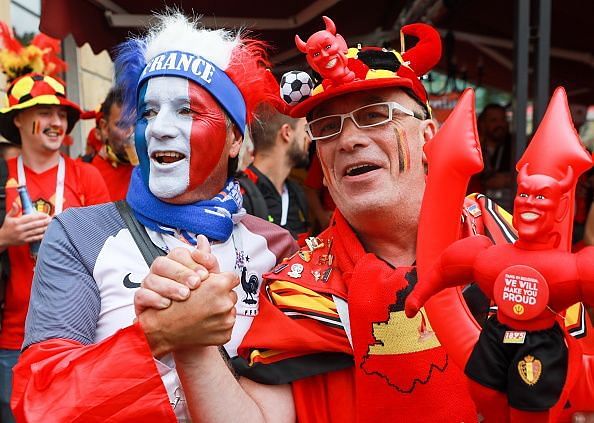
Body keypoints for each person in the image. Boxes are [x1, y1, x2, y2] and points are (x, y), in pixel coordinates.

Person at [135, 18, 515, 422]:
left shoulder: (506, 238)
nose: (347, 140)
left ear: (428, 136)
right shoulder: (300, 288)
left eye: (373, 116)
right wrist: (193, 344)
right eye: (328, 127)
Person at [9, 13, 297, 422]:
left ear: (235, 138)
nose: (159, 128)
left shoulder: (280, 248)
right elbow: (41, 402)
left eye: (186, 111)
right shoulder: (78, 233)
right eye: (147, 113)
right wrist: (159, 335)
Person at [0, 72, 110, 422]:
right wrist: (4, 237)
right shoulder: (0, 175)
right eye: (45, 112)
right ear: (19, 119)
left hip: (74, 336)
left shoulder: (86, 177)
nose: (56, 122)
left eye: (62, 114)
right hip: (9, 338)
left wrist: (68, 243)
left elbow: (111, 254)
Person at [240, 105, 311, 243]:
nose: (309, 139)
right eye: (306, 130)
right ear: (287, 133)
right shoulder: (238, 195)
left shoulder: (297, 193)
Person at [88, 87, 137, 201]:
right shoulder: (86, 172)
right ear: (104, 127)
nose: (131, 132)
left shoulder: (155, 168)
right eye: (122, 125)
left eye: (136, 123)